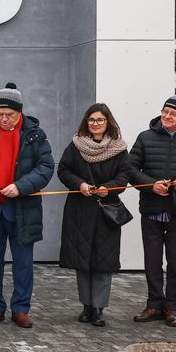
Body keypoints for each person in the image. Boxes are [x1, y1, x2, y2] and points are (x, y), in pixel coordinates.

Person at [0, 83, 55, 328]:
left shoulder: (35, 134)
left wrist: (21, 186)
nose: (4, 119)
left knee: (23, 263)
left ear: (20, 113)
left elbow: (46, 167)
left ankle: (21, 308)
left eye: (9, 115)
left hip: (22, 210)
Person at [57, 103, 132, 327]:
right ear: (86, 123)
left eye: (100, 120)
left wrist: (108, 187)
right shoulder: (75, 145)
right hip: (80, 209)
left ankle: (99, 308)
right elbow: (63, 170)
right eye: (91, 120)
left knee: (103, 262)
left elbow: (124, 175)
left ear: (108, 122)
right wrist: (79, 183)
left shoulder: (119, 148)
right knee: (82, 261)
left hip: (106, 210)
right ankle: (86, 306)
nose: (95, 124)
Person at [128, 94, 176, 327]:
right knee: (152, 260)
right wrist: (150, 184)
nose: (167, 116)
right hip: (152, 209)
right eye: (165, 111)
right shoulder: (145, 138)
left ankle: (172, 307)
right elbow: (130, 168)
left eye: (173, 113)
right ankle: (154, 304)